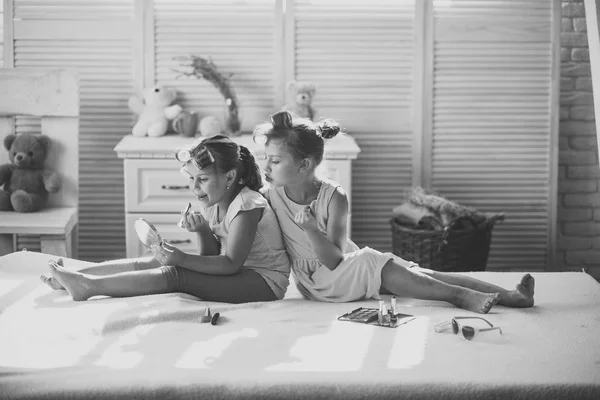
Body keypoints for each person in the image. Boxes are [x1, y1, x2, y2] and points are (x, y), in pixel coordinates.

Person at [254, 111, 535, 314]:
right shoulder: (270, 195)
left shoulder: (334, 197)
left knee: (422, 273)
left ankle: (511, 297)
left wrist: (312, 229)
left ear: (304, 166)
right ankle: (459, 297)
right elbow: (329, 266)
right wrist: (311, 230)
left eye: (275, 161)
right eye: (266, 159)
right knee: (370, 259)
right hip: (320, 283)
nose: (266, 167)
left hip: (343, 268)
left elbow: (338, 258)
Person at [41, 134, 290, 303]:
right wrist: (203, 231)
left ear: (229, 177)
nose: (195, 187)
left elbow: (231, 264)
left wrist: (180, 258)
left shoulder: (247, 206)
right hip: (240, 273)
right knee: (153, 261)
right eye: (191, 179)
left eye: (202, 179)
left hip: (263, 282)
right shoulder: (213, 204)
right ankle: (72, 276)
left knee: (175, 274)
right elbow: (209, 256)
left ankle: (88, 286)